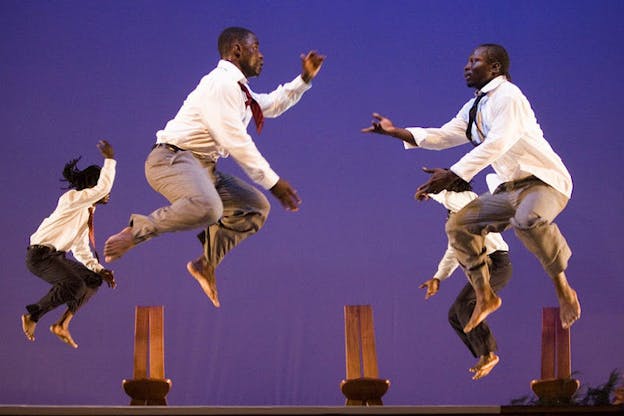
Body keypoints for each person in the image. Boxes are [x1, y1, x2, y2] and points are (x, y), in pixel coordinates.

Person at [362, 43, 579, 333]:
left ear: (495, 68)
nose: (467, 66)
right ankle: (485, 296)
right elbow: (445, 135)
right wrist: (396, 132)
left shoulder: (509, 97)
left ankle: (563, 287)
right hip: (508, 189)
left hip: (543, 183)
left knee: (527, 220)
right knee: (458, 226)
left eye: (475, 61)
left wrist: (453, 174)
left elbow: (497, 143)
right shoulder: (477, 106)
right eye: (467, 60)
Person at [104, 27, 324, 307]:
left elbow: (272, 104)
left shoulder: (240, 92)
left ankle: (206, 264)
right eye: (255, 48)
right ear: (236, 50)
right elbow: (236, 141)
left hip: (203, 167)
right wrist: (273, 182)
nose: (261, 55)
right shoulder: (219, 85)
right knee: (210, 208)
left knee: (255, 207)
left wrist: (304, 79)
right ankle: (136, 231)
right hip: (171, 160)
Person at [21, 140, 117, 349]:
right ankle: (33, 315)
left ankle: (62, 324)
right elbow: (103, 189)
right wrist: (110, 159)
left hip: (56, 257)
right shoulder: (72, 199)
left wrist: (100, 269)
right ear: (93, 186)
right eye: (101, 187)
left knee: (92, 280)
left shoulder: (85, 212)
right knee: (75, 284)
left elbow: (80, 248)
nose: (108, 194)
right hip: (39, 256)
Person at [418, 175, 511, 380]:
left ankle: (489, 354)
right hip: (483, 266)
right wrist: (438, 277)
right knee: (454, 314)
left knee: (465, 306)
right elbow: (453, 250)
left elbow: (451, 198)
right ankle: (484, 354)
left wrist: (431, 192)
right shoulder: (457, 217)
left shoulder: (470, 200)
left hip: (496, 264)